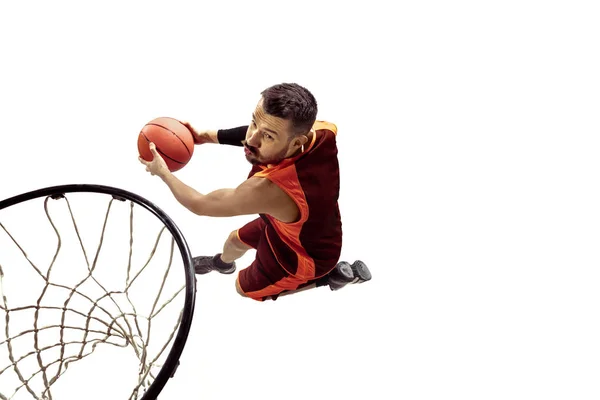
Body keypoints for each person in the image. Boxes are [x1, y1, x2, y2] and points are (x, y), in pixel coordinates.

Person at [139, 83, 371, 301]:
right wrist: (206, 136)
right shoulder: (322, 130)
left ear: (295, 143)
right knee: (234, 240)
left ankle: (329, 278)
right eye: (254, 123)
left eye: (268, 136)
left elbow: (201, 204)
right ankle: (222, 264)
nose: (251, 138)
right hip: (291, 226)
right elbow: (258, 134)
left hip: (304, 256)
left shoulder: (271, 190)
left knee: (244, 288)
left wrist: (163, 173)